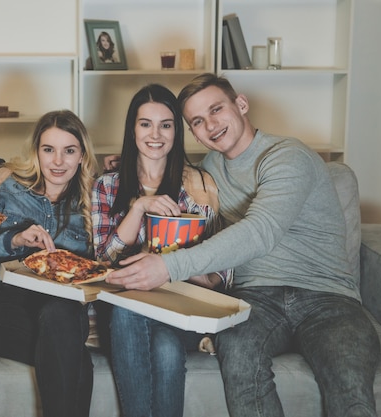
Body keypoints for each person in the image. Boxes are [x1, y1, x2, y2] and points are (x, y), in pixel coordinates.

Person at [106, 73, 381, 417]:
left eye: (216, 109)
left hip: (327, 298)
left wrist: (168, 265)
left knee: (348, 384)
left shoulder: (287, 156)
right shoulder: (208, 172)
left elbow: (260, 231)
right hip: (256, 299)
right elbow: (169, 172)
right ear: (192, 132)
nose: (211, 125)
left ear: (241, 104)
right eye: (198, 121)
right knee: (238, 356)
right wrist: (130, 164)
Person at [92, 84, 230, 417]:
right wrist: (138, 207)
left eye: (166, 125)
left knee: (168, 343)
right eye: (145, 124)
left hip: (180, 304)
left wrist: (175, 265)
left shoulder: (199, 185)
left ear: (176, 132)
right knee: (151, 334)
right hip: (122, 307)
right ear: (132, 129)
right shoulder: (107, 185)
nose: (156, 134)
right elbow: (102, 260)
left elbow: (221, 272)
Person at [0, 110, 99, 417]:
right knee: (76, 358)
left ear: (81, 156)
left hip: (60, 304)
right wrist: (14, 240)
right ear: (36, 151)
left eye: (69, 151)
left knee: (61, 316)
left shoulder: (91, 201)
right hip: (0, 299)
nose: (58, 161)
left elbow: (104, 263)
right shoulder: (8, 186)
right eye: (48, 149)